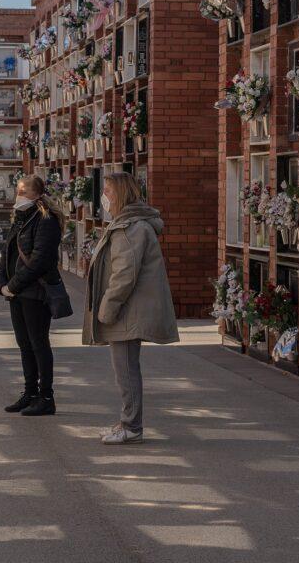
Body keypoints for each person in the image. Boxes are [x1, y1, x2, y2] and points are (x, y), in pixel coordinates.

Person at [83, 172, 179, 445]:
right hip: (129, 308)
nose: (105, 196)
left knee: (125, 370)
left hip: (127, 311)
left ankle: (131, 426)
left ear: (121, 194)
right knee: (125, 369)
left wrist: (108, 307)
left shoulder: (130, 228)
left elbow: (125, 273)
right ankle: (126, 421)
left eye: (109, 191)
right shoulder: (127, 224)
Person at [0, 175, 64, 416]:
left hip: (35, 293)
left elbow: (40, 260)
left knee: (38, 344)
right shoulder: (22, 218)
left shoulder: (46, 220)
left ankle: (46, 396)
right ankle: (29, 393)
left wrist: (13, 285)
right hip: (17, 293)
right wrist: (1, 283)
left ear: (36, 195)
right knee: (24, 345)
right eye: (18, 191)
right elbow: (7, 252)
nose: (18, 196)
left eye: (23, 192)